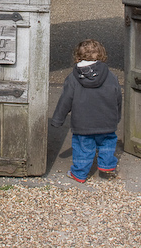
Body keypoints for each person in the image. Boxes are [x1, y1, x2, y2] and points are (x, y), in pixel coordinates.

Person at [50, 39, 122, 182]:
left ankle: (80, 173)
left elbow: (65, 100)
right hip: (106, 121)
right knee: (107, 144)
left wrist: (57, 119)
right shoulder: (111, 76)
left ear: (77, 57)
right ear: (102, 55)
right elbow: (118, 97)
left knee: (83, 148)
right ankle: (107, 167)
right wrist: (117, 116)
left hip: (83, 123)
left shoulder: (73, 78)